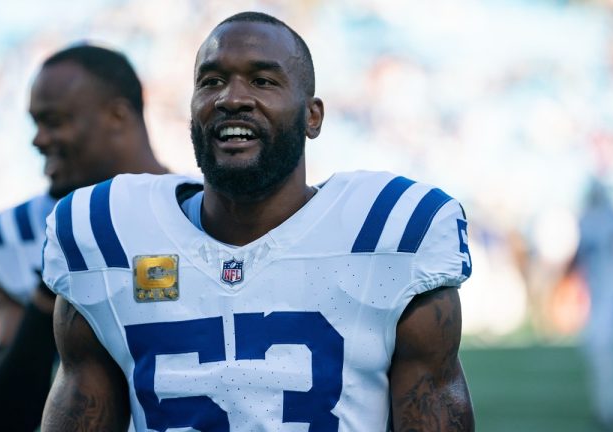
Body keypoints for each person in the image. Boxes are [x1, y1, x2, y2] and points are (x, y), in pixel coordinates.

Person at [41, 12, 475, 431]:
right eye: (211, 82)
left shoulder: (391, 233)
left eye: (263, 81)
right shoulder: (108, 233)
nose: (232, 98)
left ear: (312, 116)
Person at [0, 44, 167, 432]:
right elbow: (3, 414)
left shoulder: (203, 213)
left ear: (117, 115)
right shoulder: (22, 231)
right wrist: (50, 291)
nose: (39, 139)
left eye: (55, 121)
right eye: (36, 123)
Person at [569, 181, 613, 431]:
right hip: (603, 293)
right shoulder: (609, 218)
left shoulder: (592, 220)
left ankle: (611, 408)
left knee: (601, 349)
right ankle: (609, 406)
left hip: (608, 293)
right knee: (599, 349)